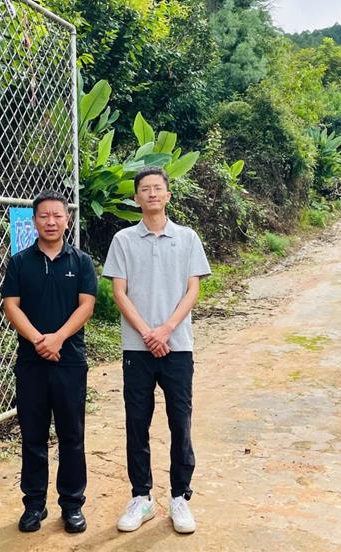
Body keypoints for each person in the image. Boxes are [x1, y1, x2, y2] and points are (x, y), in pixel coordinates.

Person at [102, 166, 211, 534]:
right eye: (144, 189)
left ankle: (180, 496)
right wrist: (148, 333)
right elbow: (119, 293)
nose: (151, 193)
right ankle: (142, 497)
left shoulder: (187, 238)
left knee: (180, 421)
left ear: (167, 195)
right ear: (136, 198)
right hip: (137, 348)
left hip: (178, 346)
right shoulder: (123, 240)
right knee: (137, 422)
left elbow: (193, 290)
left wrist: (165, 330)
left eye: (157, 188)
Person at [2, 190, 97, 534]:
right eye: (44, 216)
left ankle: (72, 505)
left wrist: (57, 338)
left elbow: (86, 305)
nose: (51, 222)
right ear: (34, 221)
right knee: (33, 436)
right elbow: (11, 305)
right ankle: (34, 505)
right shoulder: (20, 262)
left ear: (67, 219)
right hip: (31, 363)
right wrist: (39, 341)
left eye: (57, 215)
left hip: (69, 361)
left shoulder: (81, 262)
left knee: (72, 435)